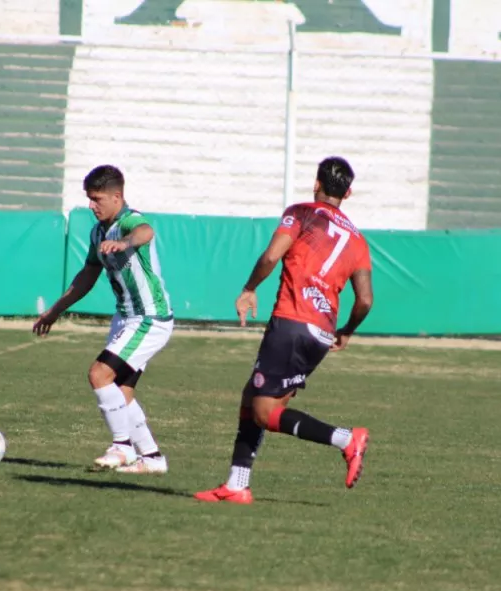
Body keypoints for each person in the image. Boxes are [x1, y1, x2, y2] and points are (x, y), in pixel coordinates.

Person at [195, 156, 373, 504]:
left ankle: (346, 439)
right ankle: (236, 484)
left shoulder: (302, 212)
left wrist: (249, 288)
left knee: (263, 411)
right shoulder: (358, 241)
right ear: (348, 193)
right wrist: (348, 330)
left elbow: (271, 256)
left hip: (291, 322)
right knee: (254, 398)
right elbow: (365, 300)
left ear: (316, 184)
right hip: (321, 333)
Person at [33, 165, 173, 474]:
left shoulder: (129, 221)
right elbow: (87, 276)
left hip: (149, 319)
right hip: (125, 319)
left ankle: (122, 447)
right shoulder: (98, 231)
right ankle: (152, 458)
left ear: (116, 196)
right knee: (120, 392)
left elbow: (145, 231)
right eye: (89, 199)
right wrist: (56, 310)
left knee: (99, 375)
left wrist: (126, 243)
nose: (91, 205)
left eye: (97, 199)